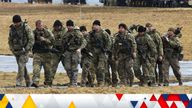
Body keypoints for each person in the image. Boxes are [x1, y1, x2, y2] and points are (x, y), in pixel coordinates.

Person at [8, 15, 34, 87]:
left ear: (20, 21)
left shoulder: (26, 28)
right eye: (14, 23)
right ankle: (29, 82)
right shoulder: (12, 29)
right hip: (16, 51)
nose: (16, 24)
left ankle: (19, 82)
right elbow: (10, 40)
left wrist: (27, 48)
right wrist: (12, 48)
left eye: (17, 23)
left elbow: (31, 39)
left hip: (25, 51)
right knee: (22, 67)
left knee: (21, 64)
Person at [86, 20, 111, 87]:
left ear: (99, 26)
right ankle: (93, 82)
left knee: (101, 68)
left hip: (102, 53)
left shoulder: (104, 33)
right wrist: (89, 50)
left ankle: (101, 82)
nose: (94, 26)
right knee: (92, 68)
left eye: (96, 25)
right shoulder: (91, 34)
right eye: (94, 25)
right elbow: (87, 42)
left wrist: (106, 50)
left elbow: (109, 42)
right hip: (93, 53)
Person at [31, 20, 55, 88]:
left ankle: (48, 83)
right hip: (37, 53)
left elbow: (52, 41)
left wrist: (44, 39)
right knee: (36, 69)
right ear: (36, 26)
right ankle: (35, 82)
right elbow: (30, 41)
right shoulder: (33, 33)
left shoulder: (47, 32)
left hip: (46, 53)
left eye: (41, 25)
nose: (40, 27)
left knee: (48, 70)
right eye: (39, 25)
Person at [62, 20, 84, 87]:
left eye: (70, 26)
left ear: (72, 26)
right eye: (68, 26)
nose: (69, 27)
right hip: (68, 52)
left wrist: (79, 49)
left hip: (75, 52)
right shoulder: (66, 34)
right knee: (67, 67)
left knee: (74, 68)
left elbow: (83, 42)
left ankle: (74, 83)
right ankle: (71, 81)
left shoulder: (77, 33)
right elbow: (63, 43)